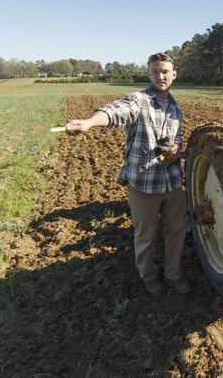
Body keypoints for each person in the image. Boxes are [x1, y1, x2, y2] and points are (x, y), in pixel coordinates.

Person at [65, 53, 191, 295]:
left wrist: (176, 147)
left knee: (176, 231)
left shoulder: (175, 107)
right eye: (155, 71)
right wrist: (90, 122)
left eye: (165, 71)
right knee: (146, 236)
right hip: (144, 184)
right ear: (149, 74)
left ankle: (174, 274)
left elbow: (177, 136)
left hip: (173, 183)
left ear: (173, 75)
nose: (160, 76)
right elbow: (114, 112)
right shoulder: (139, 100)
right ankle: (149, 277)